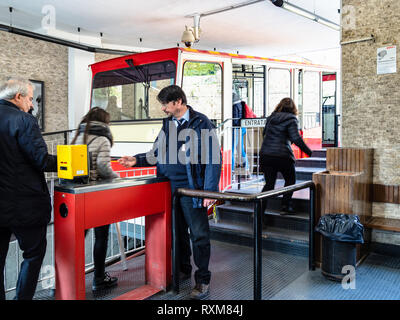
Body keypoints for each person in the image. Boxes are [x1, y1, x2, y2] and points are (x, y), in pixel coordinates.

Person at [118, 85, 221, 299]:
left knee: (199, 235)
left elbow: (213, 159)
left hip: (192, 190)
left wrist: (210, 191)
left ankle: (202, 280)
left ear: (178, 102)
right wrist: (136, 160)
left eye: (165, 104)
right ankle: (183, 269)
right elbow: (156, 152)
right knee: (178, 233)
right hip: (170, 189)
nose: (163, 109)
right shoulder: (168, 125)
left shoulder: (202, 123)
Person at [0, 78, 57, 300]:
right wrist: (69, 160)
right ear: (18, 97)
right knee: (33, 255)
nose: (31, 105)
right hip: (25, 205)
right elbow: (41, 159)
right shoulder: (24, 120)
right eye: (30, 99)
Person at [71, 107, 119, 293]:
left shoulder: (78, 137)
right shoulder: (102, 139)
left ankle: (65, 280)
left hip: (77, 193)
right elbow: (104, 167)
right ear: (105, 122)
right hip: (97, 194)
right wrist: (117, 178)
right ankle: (99, 279)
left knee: (77, 237)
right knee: (101, 236)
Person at [259, 97, 312, 216]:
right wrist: (308, 151)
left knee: (269, 184)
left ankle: (259, 211)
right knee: (290, 179)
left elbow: (264, 134)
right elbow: (296, 138)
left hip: (266, 155)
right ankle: (285, 205)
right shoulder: (292, 119)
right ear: (293, 109)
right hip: (282, 155)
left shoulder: (271, 118)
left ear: (279, 106)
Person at [232, 91, 249, 176]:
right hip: (241, 128)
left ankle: (231, 171)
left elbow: (234, 119)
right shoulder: (240, 104)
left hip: (236, 129)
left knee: (231, 150)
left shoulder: (234, 105)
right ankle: (247, 169)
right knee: (241, 149)